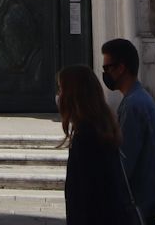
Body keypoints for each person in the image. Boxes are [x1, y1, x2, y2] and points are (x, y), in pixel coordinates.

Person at [101, 40, 155, 225]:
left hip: (142, 203)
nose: (104, 74)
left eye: (107, 68)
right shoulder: (142, 101)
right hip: (153, 200)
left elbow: (125, 159)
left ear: (121, 68)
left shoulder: (134, 106)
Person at [57, 64, 140, 225]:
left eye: (61, 89)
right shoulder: (102, 129)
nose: (59, 96)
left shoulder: (87, 139)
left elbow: (87, 199)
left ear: (72, 95)